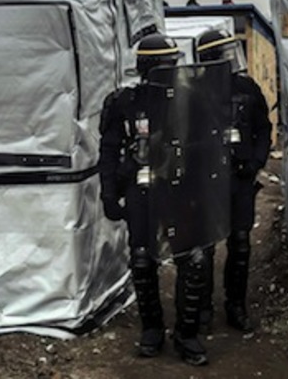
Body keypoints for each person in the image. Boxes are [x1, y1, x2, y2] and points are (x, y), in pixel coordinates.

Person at [96, 34, 213, 366]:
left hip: (181, 191)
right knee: (143, 260)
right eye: (162, 67)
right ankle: (152, 330)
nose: (168, 72)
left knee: (191, 261)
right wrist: (108, 192)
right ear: (146, 69)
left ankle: (187, 334)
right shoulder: (125, 103)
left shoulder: (191, 100)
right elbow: (108, 151)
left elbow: (209, 147)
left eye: (171, 66)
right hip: (142, 191)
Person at [195, 30, 271, 333]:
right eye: (223, 55)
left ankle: (236, 305)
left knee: (240, 244)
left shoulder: (247, 88)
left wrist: (255, 163)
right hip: (206, 181)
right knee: (205, 247)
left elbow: (263, 129)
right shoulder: (193, 92)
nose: (230, 60)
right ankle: (202, 307)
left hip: (240, 178)